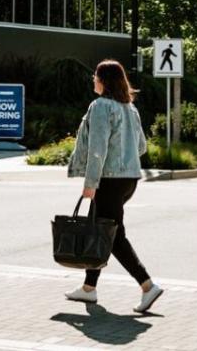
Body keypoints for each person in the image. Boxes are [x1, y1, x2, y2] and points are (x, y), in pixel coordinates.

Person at [63, 59, 163, 313]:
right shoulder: (130, 109)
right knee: (99, 228)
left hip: (108, 179)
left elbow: (98, 149)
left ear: (104, 80)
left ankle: (147, 285)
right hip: (129, 179)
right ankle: (88, 288)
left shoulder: (101, 107)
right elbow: (141, 146)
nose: (93, 80)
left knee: (114, 237)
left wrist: (91, 183)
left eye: (96, 76)